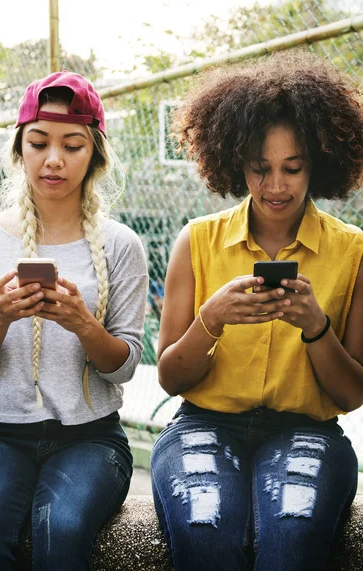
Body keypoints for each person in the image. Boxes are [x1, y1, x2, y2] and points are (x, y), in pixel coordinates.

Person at [150, 50, 363, 571]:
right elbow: (169, 379)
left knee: (291, 538)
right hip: (204, 421)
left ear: (318, 163)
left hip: (309, 429)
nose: (275, 186)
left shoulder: (354, 252)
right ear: (232, 162)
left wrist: (317, 328)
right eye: (258, 168)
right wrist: (212, 320)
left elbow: (352, 394)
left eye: (293, 168)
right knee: (206, 533)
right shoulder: (197, 241)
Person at [0, 70, 148, 570]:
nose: (53, 159)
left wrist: (83, 323)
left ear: (95, 156)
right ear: (19, 150)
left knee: (61, 528)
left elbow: (123, 367)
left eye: (73, 145)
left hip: (92, 436)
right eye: (38, 143)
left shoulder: (121, 244)